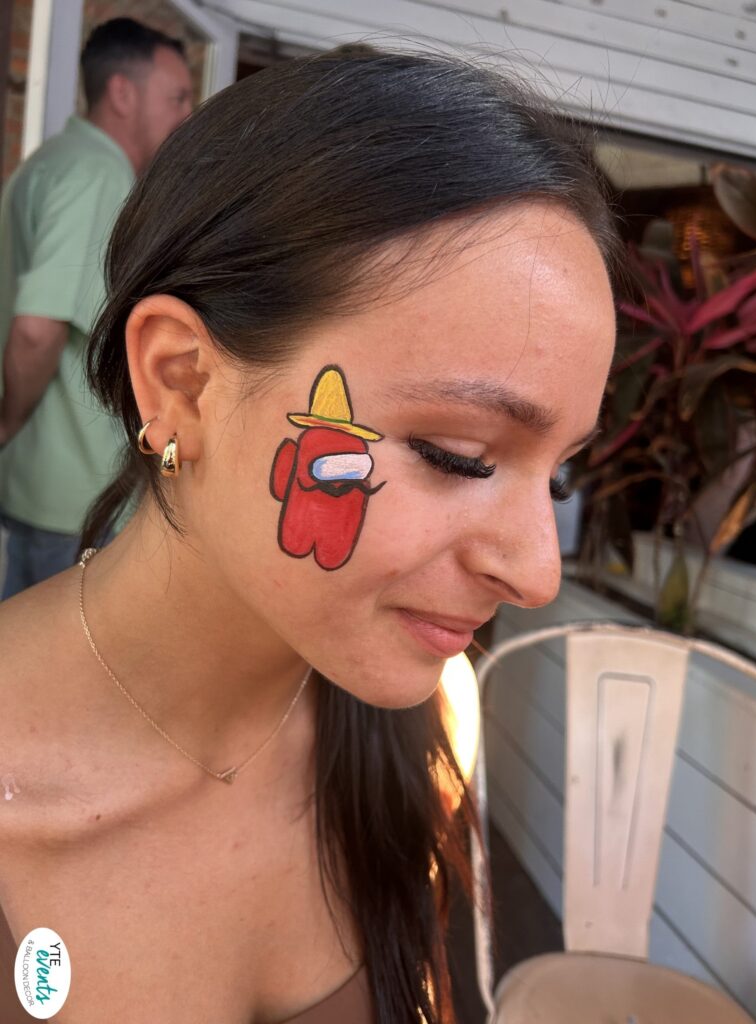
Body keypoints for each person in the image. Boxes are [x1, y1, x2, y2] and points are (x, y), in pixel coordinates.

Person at [0, 51, 617, 1024]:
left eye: (561, 472)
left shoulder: (426, 717)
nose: (539, 573)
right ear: (181, 381)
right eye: (458, 454)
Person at [0, 18, 193, 599]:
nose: (186, 114)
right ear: (122, 94)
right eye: (177, 97)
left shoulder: (51, 160)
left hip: (40, 483)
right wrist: (7, 421)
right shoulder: (98, 173)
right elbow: (37, 329)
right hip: (73, 497)